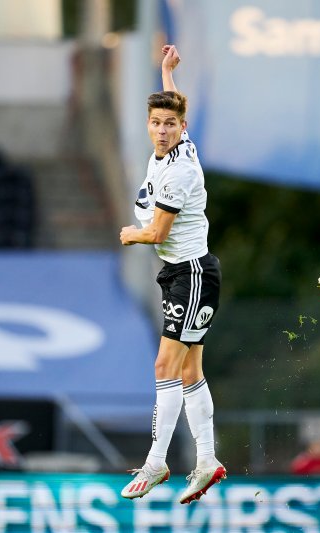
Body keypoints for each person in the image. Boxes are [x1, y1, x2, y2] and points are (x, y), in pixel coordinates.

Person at [118, 44, 226, 504]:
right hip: (179, 274)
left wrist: (131, 234)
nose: (162, 131)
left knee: (165, 365)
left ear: (181, 130)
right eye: (156, 123)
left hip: (193, 274)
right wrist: (167, 72)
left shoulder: (179, 172)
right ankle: (207, 461)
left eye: (170, 125)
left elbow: (157, 230)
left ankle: (157, 461)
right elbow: (172, 102)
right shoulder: (170, 149)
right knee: (188, 372)